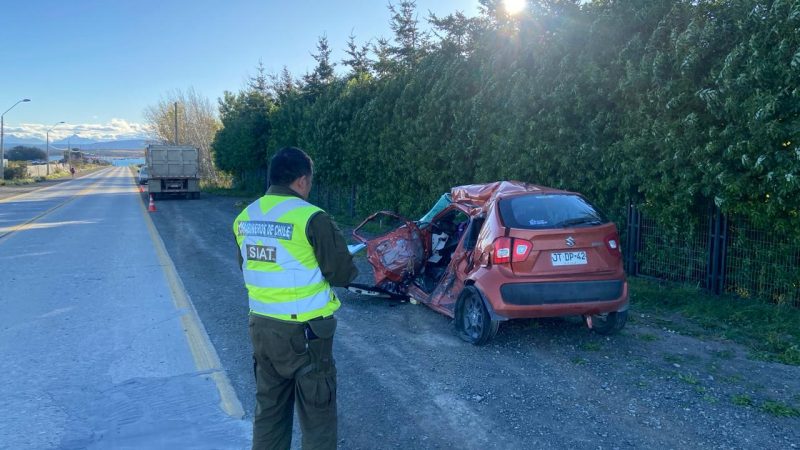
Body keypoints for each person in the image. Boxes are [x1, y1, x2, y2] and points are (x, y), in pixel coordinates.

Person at [233, 147, 358, 450]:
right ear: (302, 180)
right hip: (306, 335)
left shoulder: (245, 217)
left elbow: (249, 265)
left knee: (269, 413)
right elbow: (342, 273)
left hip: (261, 330)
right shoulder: (311, 217)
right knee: (318, 418)